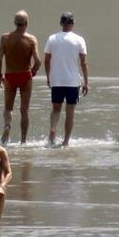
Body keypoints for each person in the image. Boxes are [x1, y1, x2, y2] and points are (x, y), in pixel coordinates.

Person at [43, 12, 89, 147]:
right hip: (72, 81)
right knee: (70, 112)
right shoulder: (79, 39)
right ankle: (66, 141)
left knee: (56, 109)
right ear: (73, 23)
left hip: (56, 80)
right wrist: (86, 82)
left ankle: (52, 130)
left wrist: (48, 76)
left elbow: (47, 59)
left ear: (61, 23)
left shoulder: (52, 38)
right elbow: (84, 62)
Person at [0, 11, 41, 144]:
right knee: (24, 110)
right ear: (27, 23)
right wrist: (33, 72)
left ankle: (8, 126)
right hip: (25, 75)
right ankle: (23, 141)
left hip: (10, 75)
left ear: (15, 23)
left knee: (8, 108)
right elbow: (38, 61)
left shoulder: (5, 38)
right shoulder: (31, 39)